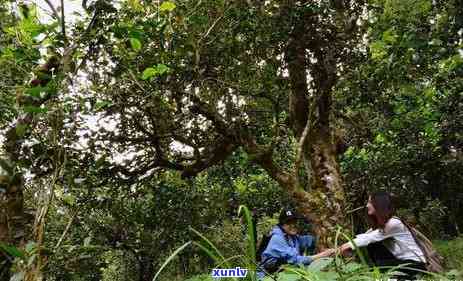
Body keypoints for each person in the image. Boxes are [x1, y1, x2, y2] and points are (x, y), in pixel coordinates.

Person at [338, 191, 426, 280]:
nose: (367, 205)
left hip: (415, 265)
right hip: (400, 261)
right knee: (373, 246)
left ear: (379, 204)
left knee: (376, 267)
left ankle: (401, 278)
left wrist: (342, 248)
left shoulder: (393, 223)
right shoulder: (381, 225)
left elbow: (367, 239)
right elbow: (365, 237)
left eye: (370, 202)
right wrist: (340, 249)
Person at [257, 208, 334, 278]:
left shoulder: (292, 237)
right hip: (268, 276)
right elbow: (296, 260)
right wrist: (322, 255)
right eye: (289, 222)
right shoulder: (277, 238)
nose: (293, 225)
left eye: (294, 222)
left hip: (283, 274)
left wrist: (323, 236)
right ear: (282, 224)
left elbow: (307, 240)